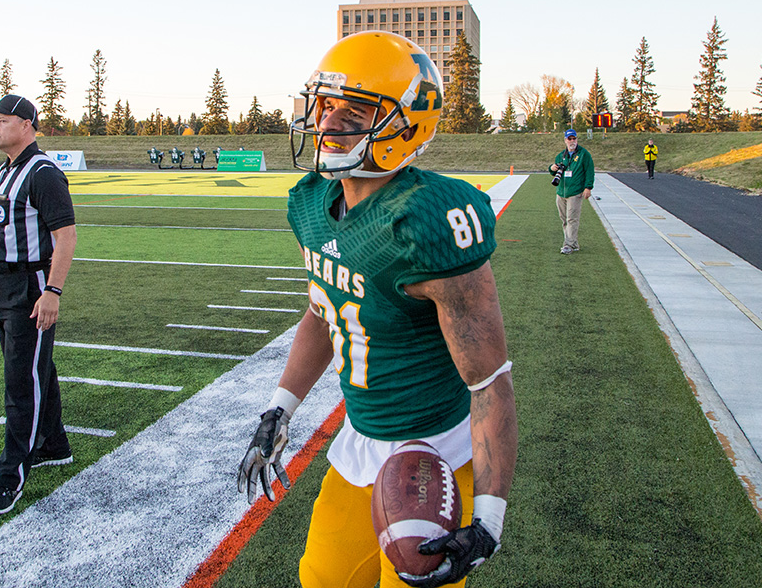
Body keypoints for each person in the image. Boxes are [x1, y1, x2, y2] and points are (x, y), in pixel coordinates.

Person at [237, 31, 518, 588]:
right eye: (326, 104)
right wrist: (281, 408)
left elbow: (490, 381)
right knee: (321, 578)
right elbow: (323, 311)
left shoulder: (427, 220)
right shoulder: (311, 201)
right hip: (361, 440)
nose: (330, 121)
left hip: (435, 450)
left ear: (406, 122)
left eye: (356, 109)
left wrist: (488, 519)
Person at [0, 94, 77, 515]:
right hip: (1, 283)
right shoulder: (2, 171)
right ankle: (54, 443)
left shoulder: (43, 173)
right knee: (36, 369)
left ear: (27, 124)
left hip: (31, 286)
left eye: (2, 120)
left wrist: (53, 291)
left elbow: (65, 236)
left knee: (20, 382)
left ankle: (10, 478)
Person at [549, 129, 594, 254]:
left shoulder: (584, 154)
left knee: (572, 219)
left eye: (574, 138)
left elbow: (589, 171)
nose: (572, 141)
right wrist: (552, 168)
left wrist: (588, 187)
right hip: (561, 192)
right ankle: (573, 243)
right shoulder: (560, 156)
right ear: (565, 140)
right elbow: (555, 171)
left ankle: (568, 244)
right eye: (570, 139)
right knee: (564, 219)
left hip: (575, 191)